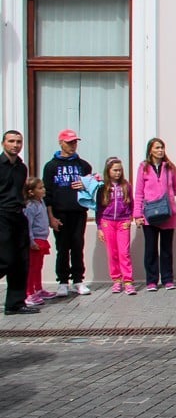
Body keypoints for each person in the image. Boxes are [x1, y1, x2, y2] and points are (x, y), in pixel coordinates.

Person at [42, 129, 93, 296]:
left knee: (78, 245)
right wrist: (50, 217)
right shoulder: (51, 166)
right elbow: (47, 193)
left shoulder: (83, 165)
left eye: (75, 142)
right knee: (62, 248)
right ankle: (62, 282)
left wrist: (86, 185)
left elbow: (92, 189)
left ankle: (78, 280)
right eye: (69, 142)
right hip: (60, 213)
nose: (73, 145)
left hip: (78, 212)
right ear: (61, 143)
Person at [134, 138, 176, 291]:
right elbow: (139, 192)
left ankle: (167, 279)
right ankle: (152, 281)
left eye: (162, 148)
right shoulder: (144, 167)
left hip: (167, 213)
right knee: (150, 249)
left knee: (167, 249)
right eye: (157, 148)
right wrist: (137, 215)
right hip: (150, 214)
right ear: (150, 150)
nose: (160, 150)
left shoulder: (170, 167)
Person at [1, 131, 39, 314]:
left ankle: (15, 304)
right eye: (11, 141)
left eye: (18, 142)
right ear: (3, 144)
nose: (15, 145)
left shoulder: (21, 168)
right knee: (5, 259)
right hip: (2, 215)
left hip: (19, 216)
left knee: (21, 262)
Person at [97, 157, 136, 295]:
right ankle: (116, 280)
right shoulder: (103, 187)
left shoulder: (126, 185)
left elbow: (132, 204)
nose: (118, 173)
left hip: (122, 222)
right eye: (115, 170)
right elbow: (99, 208)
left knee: (124, 252)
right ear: (108, 171)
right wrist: (99, 228)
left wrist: (130, 218)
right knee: (112, 252)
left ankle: (128, 281)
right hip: (107, 222)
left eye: (120, 170)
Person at [23, 177, 56, 306]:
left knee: (38, 267)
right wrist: (31, 242)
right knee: (31, 268)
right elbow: (28, 225)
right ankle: (29, 293)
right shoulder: (30, 206)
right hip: (35, 241)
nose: (43, 190)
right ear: (31, 192)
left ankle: (38, 289)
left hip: (42, 239)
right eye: (40, 188)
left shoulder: (41, 202)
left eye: (43, 187)